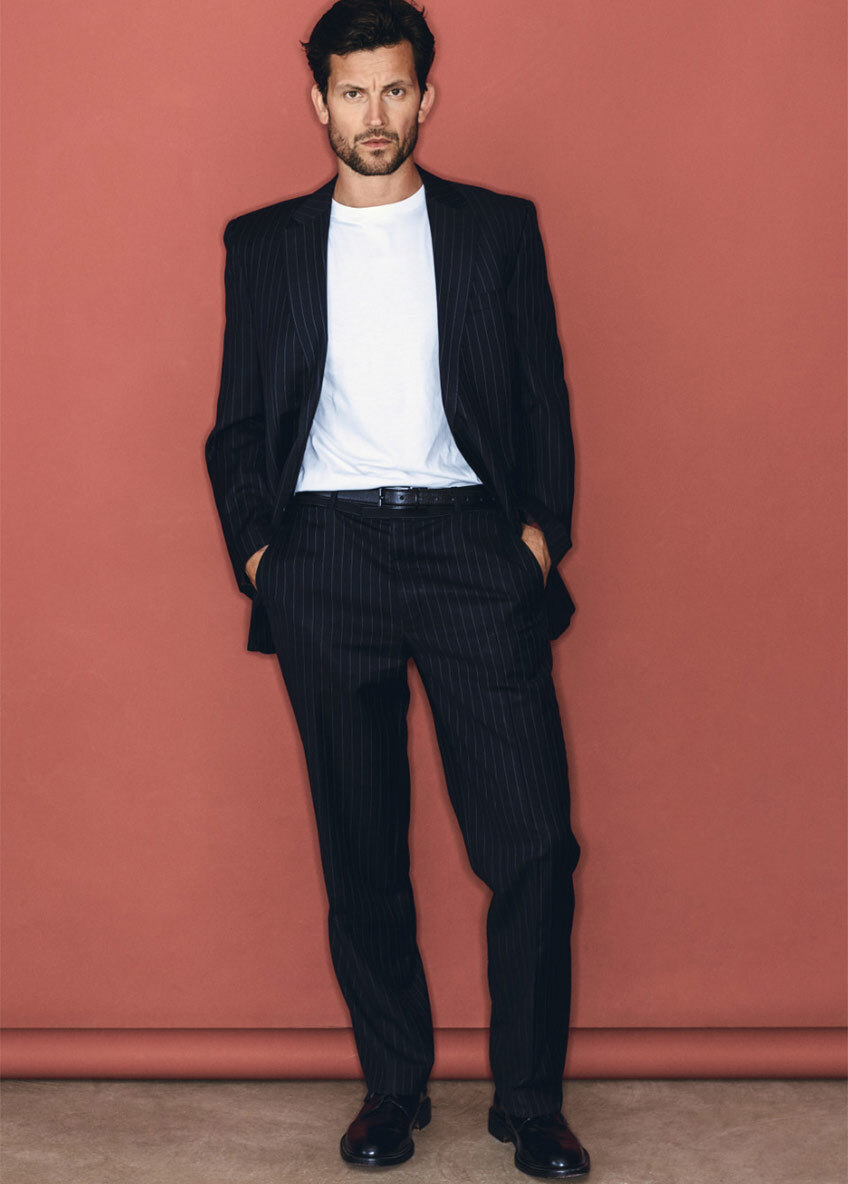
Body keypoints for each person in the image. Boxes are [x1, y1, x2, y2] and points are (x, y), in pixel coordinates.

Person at [205, 0, 590, 1176]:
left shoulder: (494, 231)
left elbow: (541, 400)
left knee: (532, 842)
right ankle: (392, 1087)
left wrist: (533, 540)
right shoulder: (264, 245)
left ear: (425, 96)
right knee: (361, 847)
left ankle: (528, 1101)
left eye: (392, 88)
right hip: (325, 558)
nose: (373, 113)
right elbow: (236, 425)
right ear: (317, 102)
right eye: (351, 90)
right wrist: (265, 558)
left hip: (469, 547)